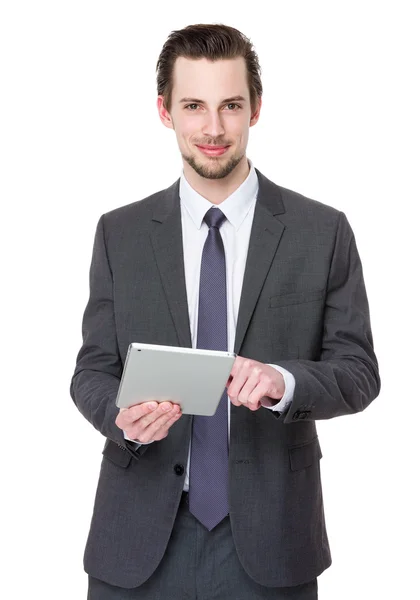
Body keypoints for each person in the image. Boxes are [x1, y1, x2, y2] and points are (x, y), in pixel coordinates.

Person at [70, 23, 381, 600]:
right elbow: (91, 370)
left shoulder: (322, 231)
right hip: (136, 540)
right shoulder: (121, 233)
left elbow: (359, 372)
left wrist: (283, 380)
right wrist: (120, 415)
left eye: (230, 106)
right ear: (165, 111)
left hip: (271, 541)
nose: (213, 129)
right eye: (194, 106)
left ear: (255, 108)